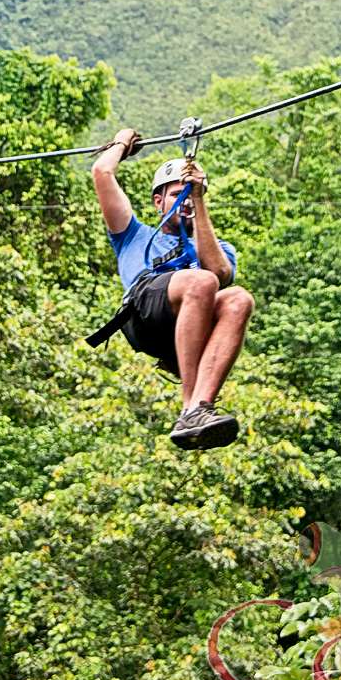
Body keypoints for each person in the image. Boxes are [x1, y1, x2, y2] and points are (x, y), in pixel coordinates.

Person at [91, 127, 254, 450]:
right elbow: (102, 172)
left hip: (182, 330)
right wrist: (123, 143)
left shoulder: (217, 246)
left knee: (238, 299)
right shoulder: (132, 234)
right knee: (201, 281)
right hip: (143, 313)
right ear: (158, 200)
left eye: (188, 194)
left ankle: (200, 408)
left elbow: (220, 273)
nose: (184, 202)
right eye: (177, 193)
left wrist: (197, 198)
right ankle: (189, 407)